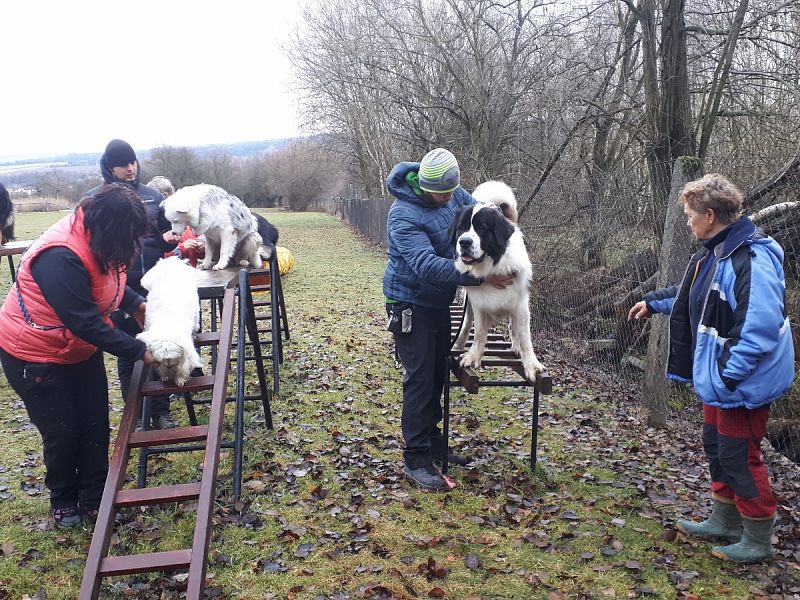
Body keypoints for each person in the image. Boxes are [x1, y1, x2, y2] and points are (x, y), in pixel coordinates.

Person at [628, 173, 794, 563]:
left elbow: (759, 325)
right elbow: (694, 296)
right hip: (720, 378)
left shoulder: (751, 258)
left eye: (690, 214)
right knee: (717, 447)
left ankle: (757, 538)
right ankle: (724, 520)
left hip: (740, 381)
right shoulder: (713, 251)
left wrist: (731, 375)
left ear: (711, 214)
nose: (688, 221)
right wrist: (654, 302)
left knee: (740, 454)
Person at [0, 184, 156, 528]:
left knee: (95, 422)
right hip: (34, 355)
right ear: (108, 229)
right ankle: (64, 498)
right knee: (63, 430)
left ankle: (95, 496)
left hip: (77, 350)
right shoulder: (60, 255)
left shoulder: (100, 241)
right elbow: (83, 321)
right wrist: (140, 351)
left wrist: (134, 303)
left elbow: (108, 280)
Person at [383, 148, 514, 491]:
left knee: (439, 372)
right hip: (410, 302)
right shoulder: (403, 214)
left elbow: (480, 215)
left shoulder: (454, 193)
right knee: (420, 379)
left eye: (452, 190)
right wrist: (480, 278)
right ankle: (416, 458)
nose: (449, 199)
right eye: (441, 192)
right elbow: (426, 266)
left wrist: (503, 237)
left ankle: (435, 443)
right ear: (425, 185)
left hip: (439, 300)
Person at [85, 141, 180, 430]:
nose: (130, 168)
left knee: (160, 345)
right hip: (116, 287)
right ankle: (136, 415)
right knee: (128, 352)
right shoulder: (95, 200)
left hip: (153, 283)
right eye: (122, 164)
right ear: (109, 167)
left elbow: (167, 232)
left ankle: (161, 412)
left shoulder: (152, 197)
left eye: (133, 162)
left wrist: (170, 240)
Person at [147, 176, 206, 268]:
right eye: (164, 196)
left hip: (190, 275)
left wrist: (201, 248)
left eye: (170, 196)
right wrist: (182, 249)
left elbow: (198, 254)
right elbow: (156, 257)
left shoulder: (184, 221)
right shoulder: (153, 227)